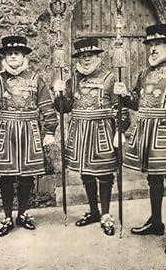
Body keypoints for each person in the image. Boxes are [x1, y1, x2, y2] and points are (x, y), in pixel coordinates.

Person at [114, 24, 166, 254]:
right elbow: (136, 103)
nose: (152, 49)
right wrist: (124, 95)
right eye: (150, 45)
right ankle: (156, 222)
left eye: (157, 45)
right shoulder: (145, 73)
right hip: (147, 134)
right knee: (153, 179)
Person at [0, 35, 58, 237]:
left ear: (23, 57)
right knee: (7, 176)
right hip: (6, 131)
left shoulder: (36, 79)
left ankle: (23, 214)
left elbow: (46, 106)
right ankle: (8, 216)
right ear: (4, 58)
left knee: (27, 175)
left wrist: (50, 130)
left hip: (30, 130)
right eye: (8, 54)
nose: (12, 57)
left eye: (16, 54)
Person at [54, 37, 130, 236]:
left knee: (104, 174)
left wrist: (120, 130)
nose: (86, 60)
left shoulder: (110, 77)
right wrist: (60, 94)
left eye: (90, 56)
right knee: (86, 173)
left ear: (98, 57)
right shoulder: (74, 79)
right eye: (83, 56)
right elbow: (64, 108)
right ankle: (94, 211)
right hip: (79, 131)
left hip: (102, 131)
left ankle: (105, 214)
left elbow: (119, 107)